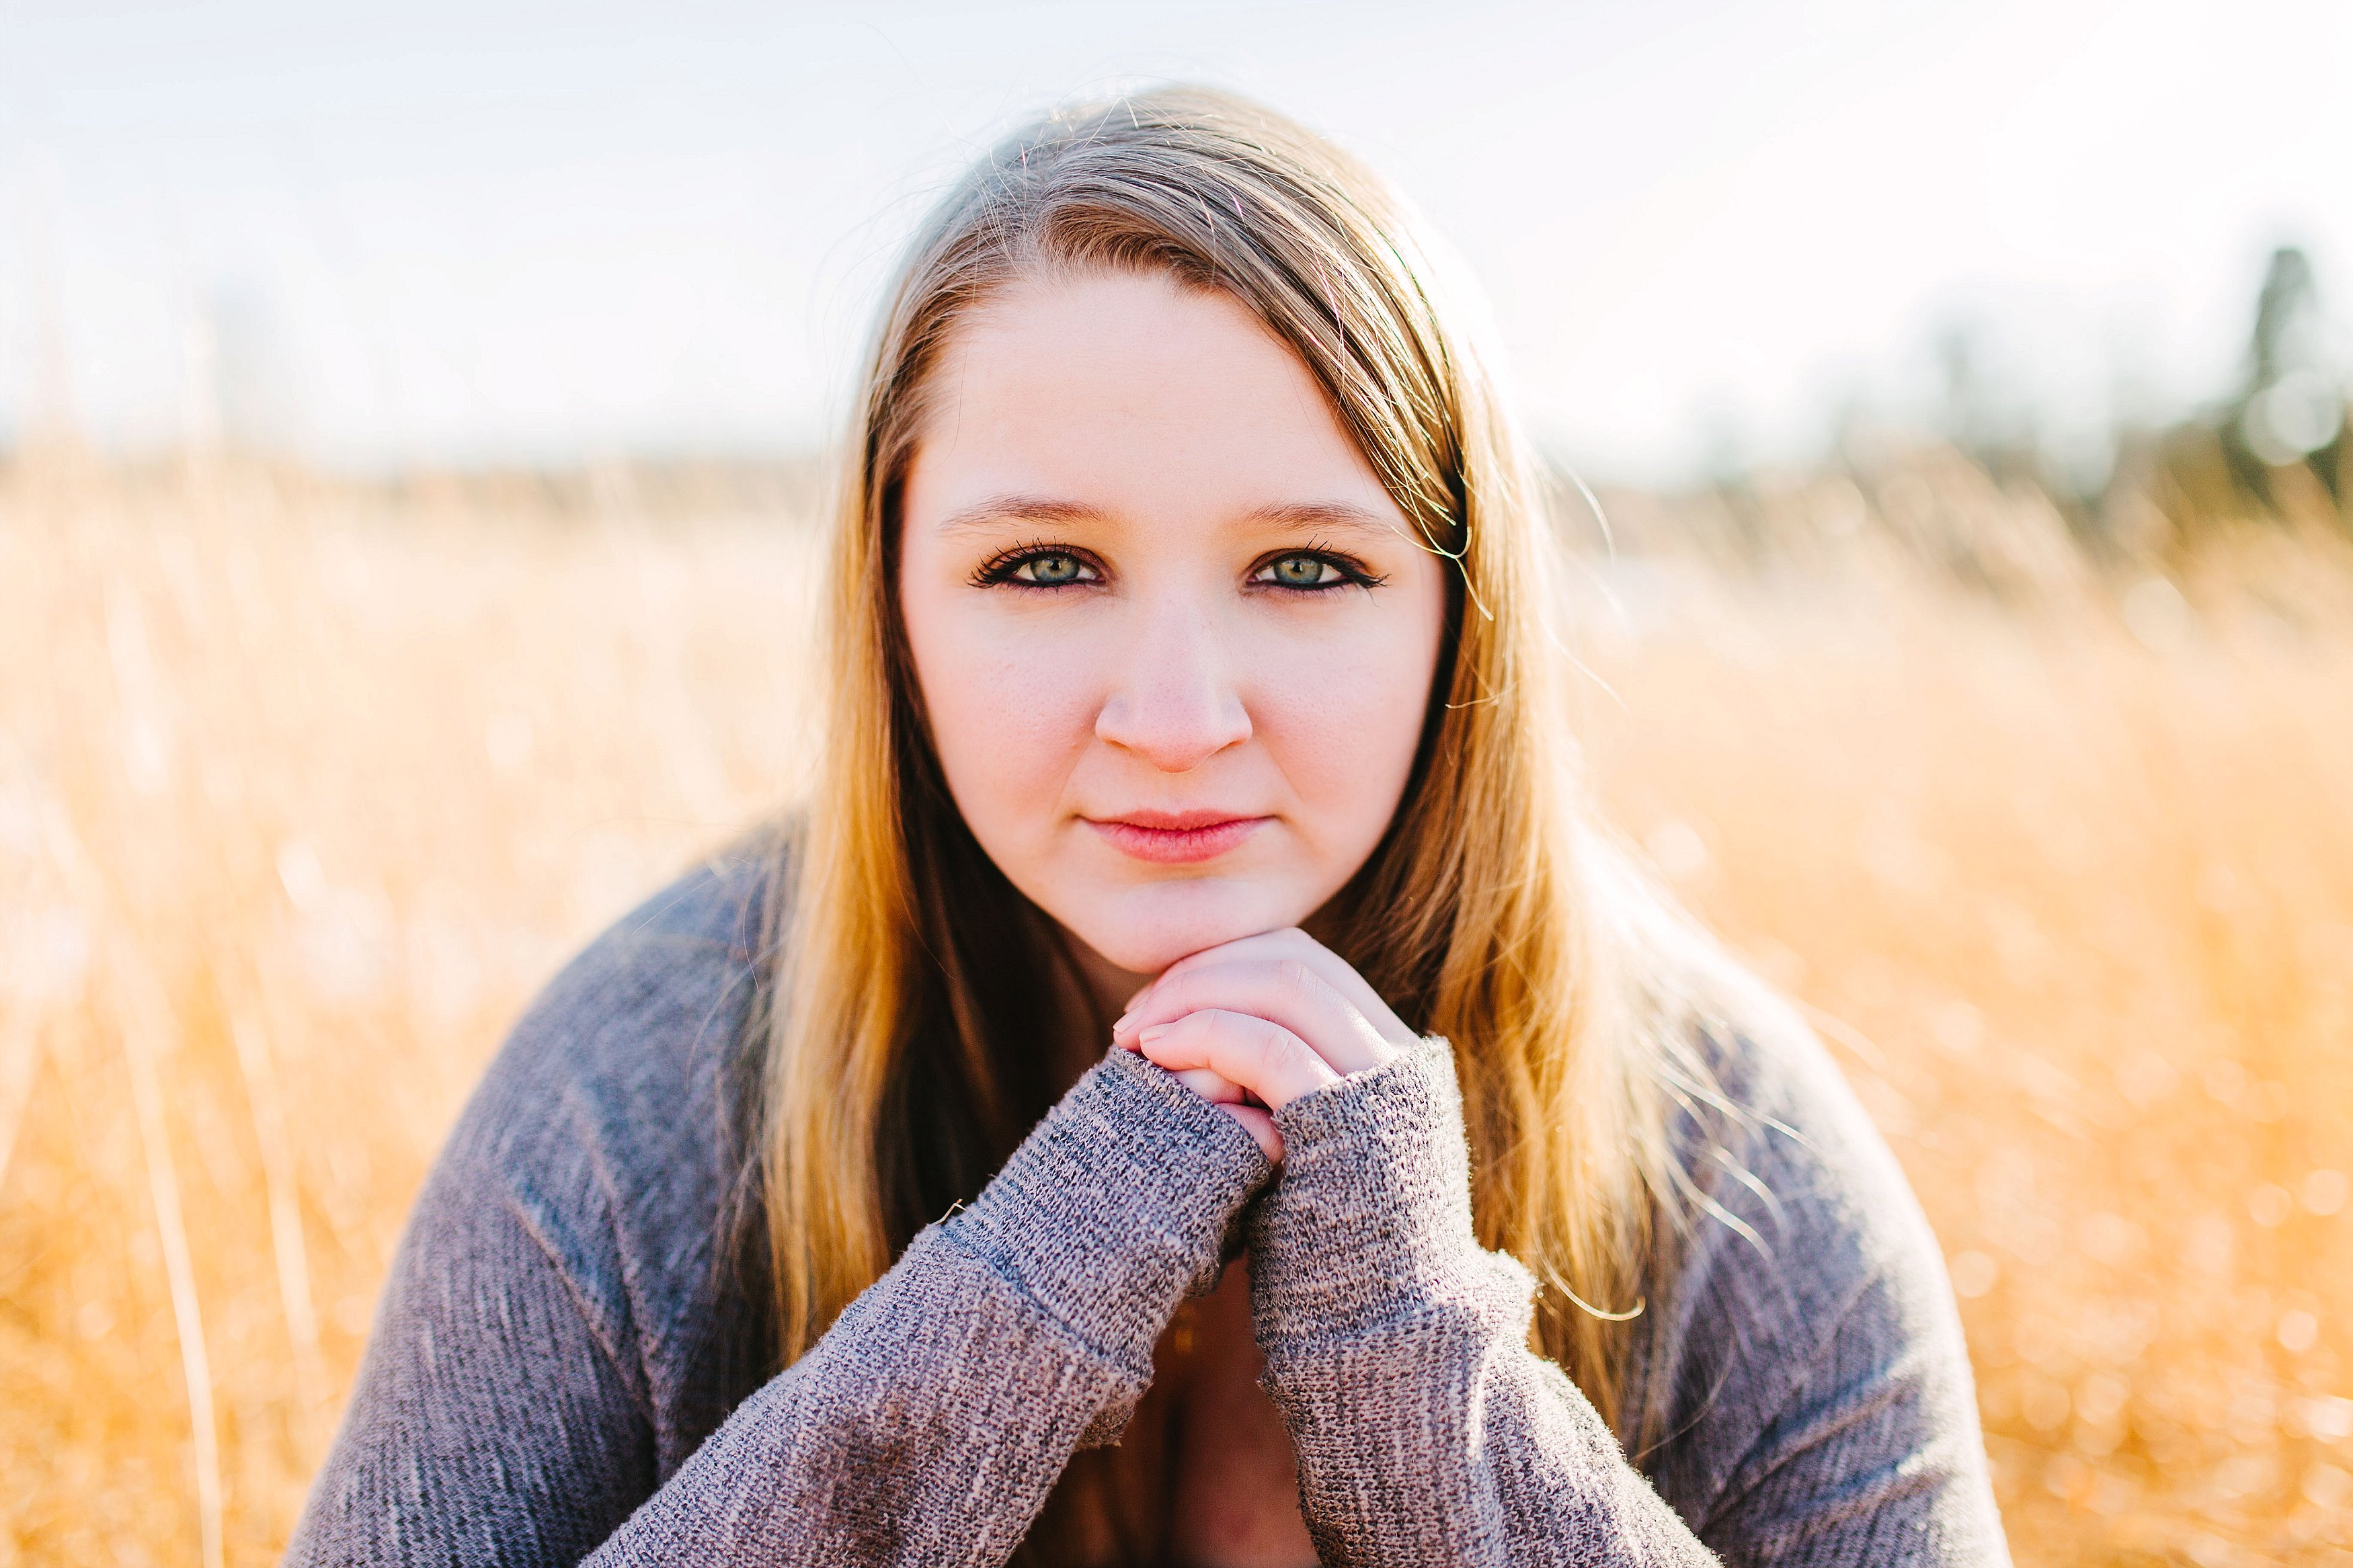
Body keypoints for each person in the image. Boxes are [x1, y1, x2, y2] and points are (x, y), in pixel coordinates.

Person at [287, 87, 2009, 1567]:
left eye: (1306, 568)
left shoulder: (1724, 1151)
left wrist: (1413, 1356)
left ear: (1459, 616)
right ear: (890, 610)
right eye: (1044, 567)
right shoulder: (642, 1085)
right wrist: (1025, 1295)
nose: (1178, 720)